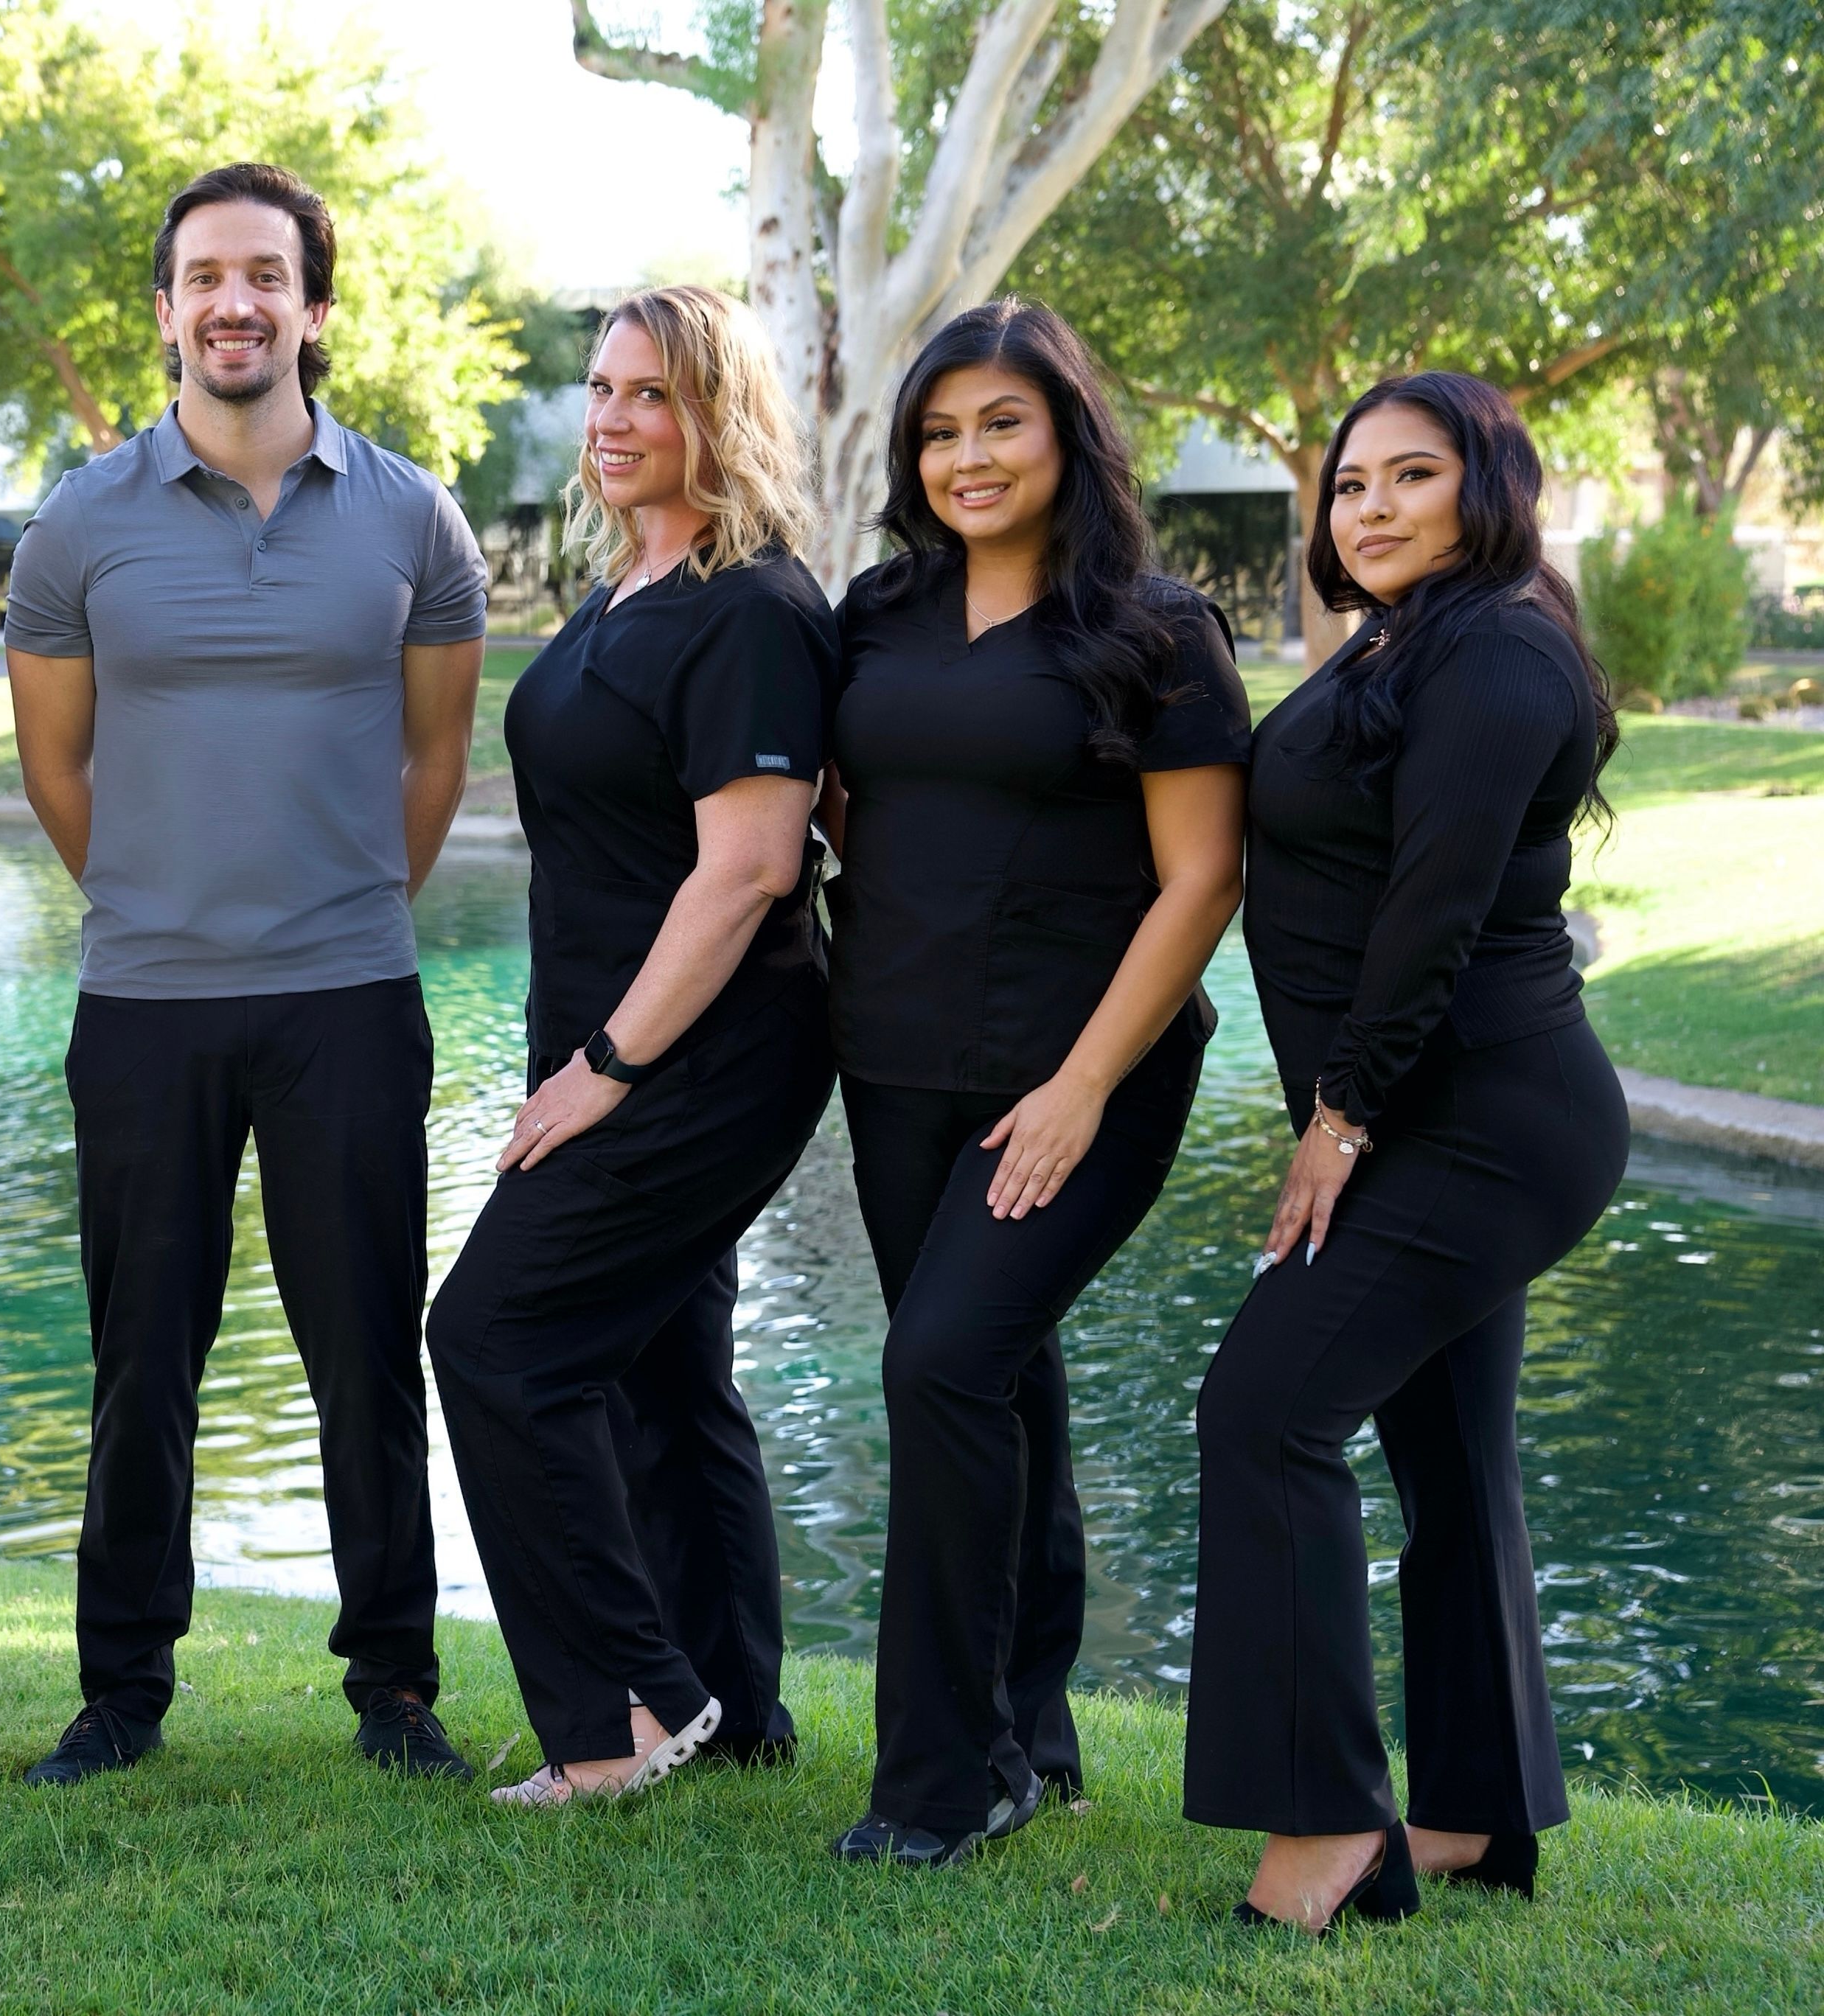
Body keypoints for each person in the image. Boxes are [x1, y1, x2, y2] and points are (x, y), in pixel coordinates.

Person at [4, 162, 489, 1785]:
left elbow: (431, 764)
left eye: (263, 276)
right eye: (203, 275)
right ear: (164, 311)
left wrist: (335, 912)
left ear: (312, 309)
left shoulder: (414, 517)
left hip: (348, 996)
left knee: (365, 1340)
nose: (233, 302)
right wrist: (163, 905)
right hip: (144, 1003)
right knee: (143, 1351)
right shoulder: (76, 523)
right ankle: (121, 1689)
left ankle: (394, 1686)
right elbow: (58, 774)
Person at [1188, 371, 1628, 1933]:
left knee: (1258, 1412)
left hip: (1484, 1120)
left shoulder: (1497, 645)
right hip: (1429, 1111)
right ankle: (1469, 1812)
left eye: (1407, 475)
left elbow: (1430, 910)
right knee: (1444, 1457)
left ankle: (1324, 1832)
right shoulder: (1403, 639)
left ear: (1483, 488)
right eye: (1346, 481)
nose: (1364, 506)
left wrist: (1333, 1121)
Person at [820, 299, 1249, 1866]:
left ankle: (945, 1779)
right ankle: (1038, 1723)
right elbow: (848, 812)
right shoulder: (872, 612)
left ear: (1067, 428)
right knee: (992, 1372)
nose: (966, 456)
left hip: (1084, 1080)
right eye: (938, 431)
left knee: (939, 1368)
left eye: (998, 422)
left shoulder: (1155, 628)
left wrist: (1076, 1085)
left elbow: (1200, 881)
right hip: (893, 1065)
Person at [424, 285, 835, 1806]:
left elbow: (745, 873)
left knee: (491, 1341)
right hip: (609, 1033)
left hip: (696, 1055)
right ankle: (736, 1711)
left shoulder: (751, 607)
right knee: (662, 1370)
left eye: (649, 394)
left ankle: (624, 1715)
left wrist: (602, 1073)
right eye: (599, 389)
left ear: (716, 416)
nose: (609, 418)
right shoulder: (624, 593)